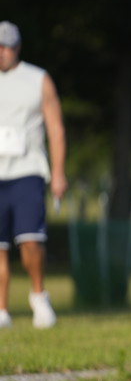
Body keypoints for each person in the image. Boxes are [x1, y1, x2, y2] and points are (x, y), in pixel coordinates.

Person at [0, 21, 66, 329]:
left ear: (17, 48)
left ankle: (38, 295)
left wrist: (58, 172)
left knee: (30, 242)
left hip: (27, 169)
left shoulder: (38, 79)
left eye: (7, 47)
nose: (2, 53)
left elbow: (55, 127)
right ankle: (2, 309)